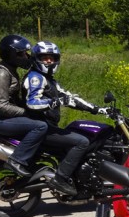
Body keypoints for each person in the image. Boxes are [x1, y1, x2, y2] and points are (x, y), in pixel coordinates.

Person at [23, 41, 107, 196]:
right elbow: (32, 103)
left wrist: (98, 109)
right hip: (40, 127)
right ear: (36, 58)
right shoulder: (36, 78)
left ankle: (77, 179)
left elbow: (69, 98)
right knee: (82, 142)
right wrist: (55, 102)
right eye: (45, 57)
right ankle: (60, 179)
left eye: (52, 58)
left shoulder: (50, 80)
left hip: (47, 126)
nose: (49, 61)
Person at [0, 34, 47, 178]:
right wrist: (27, 113)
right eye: (21, 54)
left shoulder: (10, 70)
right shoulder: (1, 74)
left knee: (44, 122)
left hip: (3, 118)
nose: (26, 57)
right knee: (40, 126)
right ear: (10, 55)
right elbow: (1, 106)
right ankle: (17, 161)